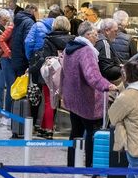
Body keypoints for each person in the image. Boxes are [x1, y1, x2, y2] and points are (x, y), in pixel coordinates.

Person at [61, 22, 116, 167]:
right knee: (93, 133)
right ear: (87, 35)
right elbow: (92, 75)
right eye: (95, 35)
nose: (97, 38)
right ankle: (91, 165)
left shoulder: (70, 48)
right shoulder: (86, 51)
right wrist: (107, 85)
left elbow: (64, 72)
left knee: (76, 132)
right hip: (87, 100)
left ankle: (71, 164)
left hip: (73, 98)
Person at [34, 16, 74, 138]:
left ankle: (48, 128)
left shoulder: (49, 39)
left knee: (48, 101)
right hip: (67, 74)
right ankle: (46, 127)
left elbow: (45, 58)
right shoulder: (73, 40)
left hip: (51, 75)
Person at [11, 4, 37, 76]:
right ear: (33, 11)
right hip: (23, 60)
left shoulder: (19, 20)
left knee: (18, 84)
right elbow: (28, 42)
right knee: (23, 85)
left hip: (16, 58)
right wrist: (30, 59)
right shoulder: (29, 22)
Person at [95, 18, 123, 84]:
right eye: (115, 31)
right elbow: (107, 70)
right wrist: (123, 69)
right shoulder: (105, 43)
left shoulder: (97, 39)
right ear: (107, 31)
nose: (117, 34)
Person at [0, 17, 15, 115]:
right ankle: (8, 113)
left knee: (11, 86)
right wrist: (8, 52)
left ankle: (9, 112)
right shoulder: (12, 28)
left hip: (9, 60)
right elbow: (1, 39)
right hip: (7, 59)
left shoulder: (14, 27)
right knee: (10, 86)